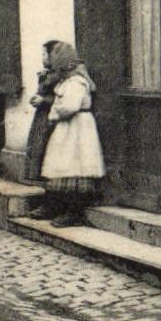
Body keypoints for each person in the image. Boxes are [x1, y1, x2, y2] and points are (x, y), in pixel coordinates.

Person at [32, 40, 106, 226]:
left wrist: (55, 110)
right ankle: (59, 207)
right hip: (68, 128)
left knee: (75, 167)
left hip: (77, 129)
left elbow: (69, 107)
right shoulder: (68, 82)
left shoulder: (77, 83)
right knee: (63, 165)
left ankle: (74, 212)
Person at [24, 41, 62, 184]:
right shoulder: (48, 74)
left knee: (46, 150)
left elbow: (62, 97)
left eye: (44, 54)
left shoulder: (59, 75)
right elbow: (42, 91)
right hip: (41, 116)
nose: (42, 58)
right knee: (37, 148)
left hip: (51, 118)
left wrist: (44, 100)